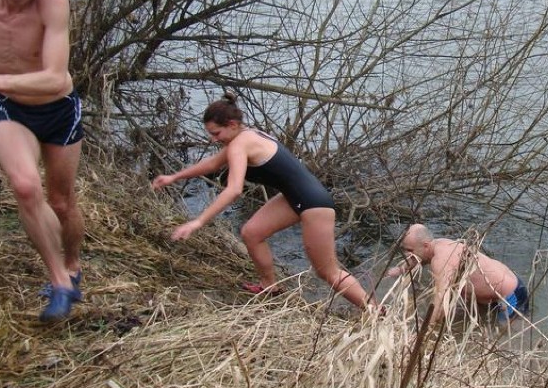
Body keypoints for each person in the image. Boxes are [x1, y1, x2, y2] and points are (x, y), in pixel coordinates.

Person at [151, 93, 378, 311]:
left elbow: (233, 190)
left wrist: (198, 222)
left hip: (314, 203)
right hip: (294, 196)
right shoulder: (243, 137)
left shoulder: (241, 143)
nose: (213, 139)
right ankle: (269, 287)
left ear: (231, 124)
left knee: (328, 271)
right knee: (252, 232)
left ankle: (375, 312)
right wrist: (174, 177)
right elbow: (212, 164)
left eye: (216, 133)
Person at [0, 0, 86, 322]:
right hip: (10, 109)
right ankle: (58, 282)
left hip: (58, 109)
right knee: (24, 187)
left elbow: (55, 77)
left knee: (60, 201)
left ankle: (72, 267)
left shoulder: (51, 0)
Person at [386, 223, 529, 326]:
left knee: (504, 333)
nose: (407, 255)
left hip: (511, 294)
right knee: (482, 322)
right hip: (493, 290)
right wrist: (399, 270)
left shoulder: (441, 260)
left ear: (425, 245)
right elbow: (418, 258)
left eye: (409, 250)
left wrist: (424, 331)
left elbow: (441, 302)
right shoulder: (438, 244)